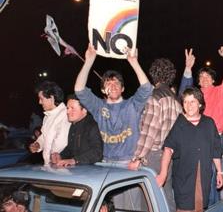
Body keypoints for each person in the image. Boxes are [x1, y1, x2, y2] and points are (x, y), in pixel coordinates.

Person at [74, 44, 152, 210]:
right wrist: (88, 61)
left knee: (130, 208)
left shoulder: (132, 105)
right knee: (108, 208)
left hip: (128, 165)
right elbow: (79, 90)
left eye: (117, 83)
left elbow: (146, 88)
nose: (114, 86)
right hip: (103, 164)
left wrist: (133, 62)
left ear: (123, 88)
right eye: (109, 83)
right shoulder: (97, 106)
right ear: (103, 89)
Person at [179, 47, 223, 205]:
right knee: (195, 178)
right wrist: (187, 68)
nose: (204, 79)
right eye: (201, 77)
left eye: (207, 76)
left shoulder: (222, 92)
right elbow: (182, 95)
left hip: (214, 139)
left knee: (212, 176)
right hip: (193, 140)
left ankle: (213, 208)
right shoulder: (195, 96)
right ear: (198, 81)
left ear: (213, 80)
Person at [156, 87, 223, 212]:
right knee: (184, 208)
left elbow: (215, 150)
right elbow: (168, 149)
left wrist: (220, 172)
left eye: (192, 101)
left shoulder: (209, 123)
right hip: (183, 179)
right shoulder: (179, 124)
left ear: (200, 103)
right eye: (185, 102)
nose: (189, 105)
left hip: (203, 177)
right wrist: (163, 173)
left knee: (200, 208)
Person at [128, 58, 181, 211]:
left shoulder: (154, 97)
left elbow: (148, 132)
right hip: (168, 156)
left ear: (153, 75)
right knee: (165, 197)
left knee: (148, 199)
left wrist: (137, 157)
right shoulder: (176, 100)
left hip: (153, 156)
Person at [51, 94, 103, 166]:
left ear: (84, 110)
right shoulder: (73, 125)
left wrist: (74, 160)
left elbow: (97, 152)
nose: (68, 112)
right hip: (78, 172)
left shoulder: (93, 126)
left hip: (92, 173)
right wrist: (60, 155)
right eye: (68, 108)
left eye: (72, 108)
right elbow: (70, 148)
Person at [29, 81, 70, 165]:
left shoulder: (65, 114)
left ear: (51, 98)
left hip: (60, 165)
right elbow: (44, 137)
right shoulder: (47, 116)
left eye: (41, 99)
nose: (39, 102)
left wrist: (50, 160)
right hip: (49, 165)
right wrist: (38, 144)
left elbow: (61, 143)